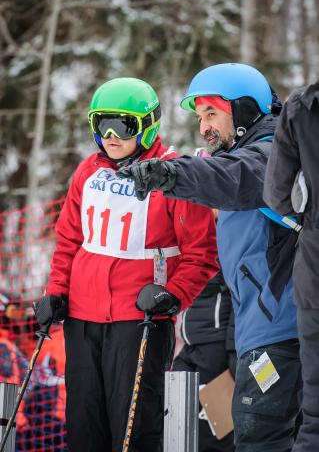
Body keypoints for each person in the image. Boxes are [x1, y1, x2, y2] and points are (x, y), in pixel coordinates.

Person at [117, 63, 303, 452]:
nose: (204, 126)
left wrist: (170, 174)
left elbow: (229, 176)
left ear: (245, 110)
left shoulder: (269, 155)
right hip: (267, 333)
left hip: (283, 336)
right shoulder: (255, 155)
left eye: (212, 113)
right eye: (200, 116)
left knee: (262, 440)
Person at [33, 77, 218, 452]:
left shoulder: (172, 176)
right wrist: (56, 292)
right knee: (84, 424)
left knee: (133, 428)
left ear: (148, 125)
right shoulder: (88, 173)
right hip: (82, 319)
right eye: (102, 124)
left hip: (140, 320)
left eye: (124, 124)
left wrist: (173, 296)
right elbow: (69, 240)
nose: (111, 135)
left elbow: (202, 254)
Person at [263, 81, 319, 452]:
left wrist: (305, 218)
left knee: (314, 420)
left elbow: (276, 195)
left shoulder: (302, 106)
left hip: (314, 282)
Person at [173, 269, 235, 452]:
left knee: (216, 427)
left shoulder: (220, 245)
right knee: (176, 419)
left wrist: (232, 346)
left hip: (215, 344)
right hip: (190, 342)